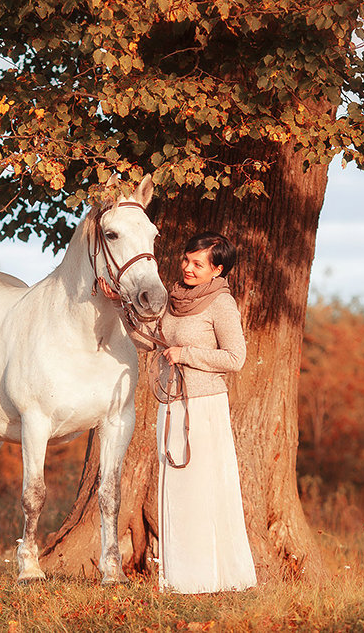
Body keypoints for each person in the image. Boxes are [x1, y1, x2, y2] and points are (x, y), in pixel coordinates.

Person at [153, 231, 256, 594]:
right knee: (176, 490)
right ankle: (178, 578)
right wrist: (117, 304)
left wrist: (186, 355)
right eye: (186, 259)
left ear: (218, 269)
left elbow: (235, 358)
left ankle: (207, 578)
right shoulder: (172, 299)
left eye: (198, 264)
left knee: (200, 490)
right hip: (170, 403)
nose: (188, 268)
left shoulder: (221, 304)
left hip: (203, 406)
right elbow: (152, 339)